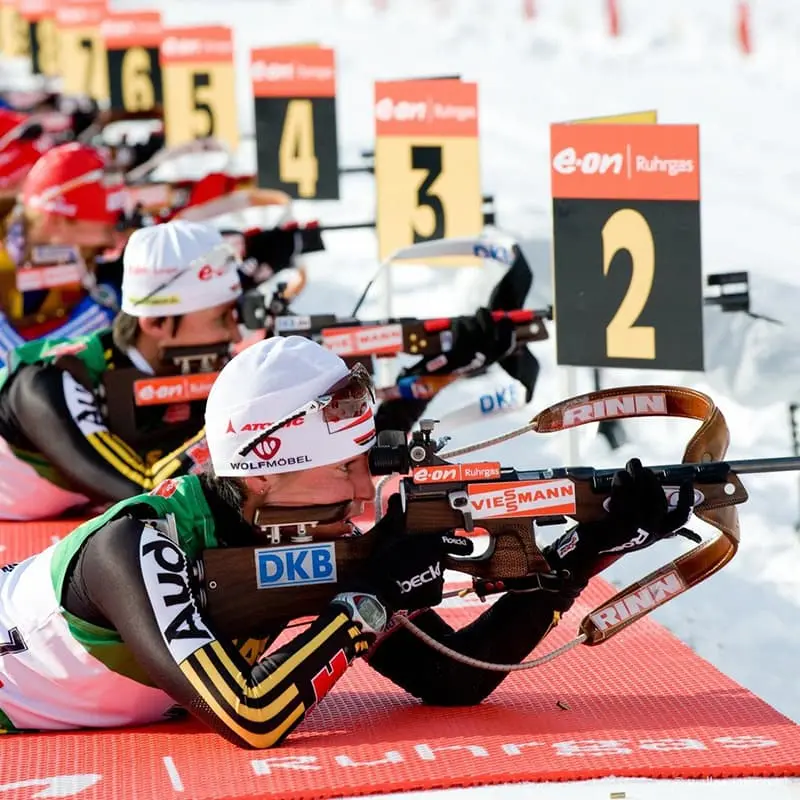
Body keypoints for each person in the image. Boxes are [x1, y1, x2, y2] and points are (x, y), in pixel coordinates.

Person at [0, 334, 696, 746]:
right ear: (265, 475)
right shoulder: (137, 545)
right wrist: (372, 599)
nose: (366, 495)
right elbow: (251, 718)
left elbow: (455, 677)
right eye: (344, 469)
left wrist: (594, 543)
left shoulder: (303, 537)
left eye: (366, 465)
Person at [0, 219, 242, 521]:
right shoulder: (50, 380)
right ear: (156, 324)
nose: (236, 335)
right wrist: (239, 421)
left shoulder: (189, 368)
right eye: (222, 318)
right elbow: (146, 497)